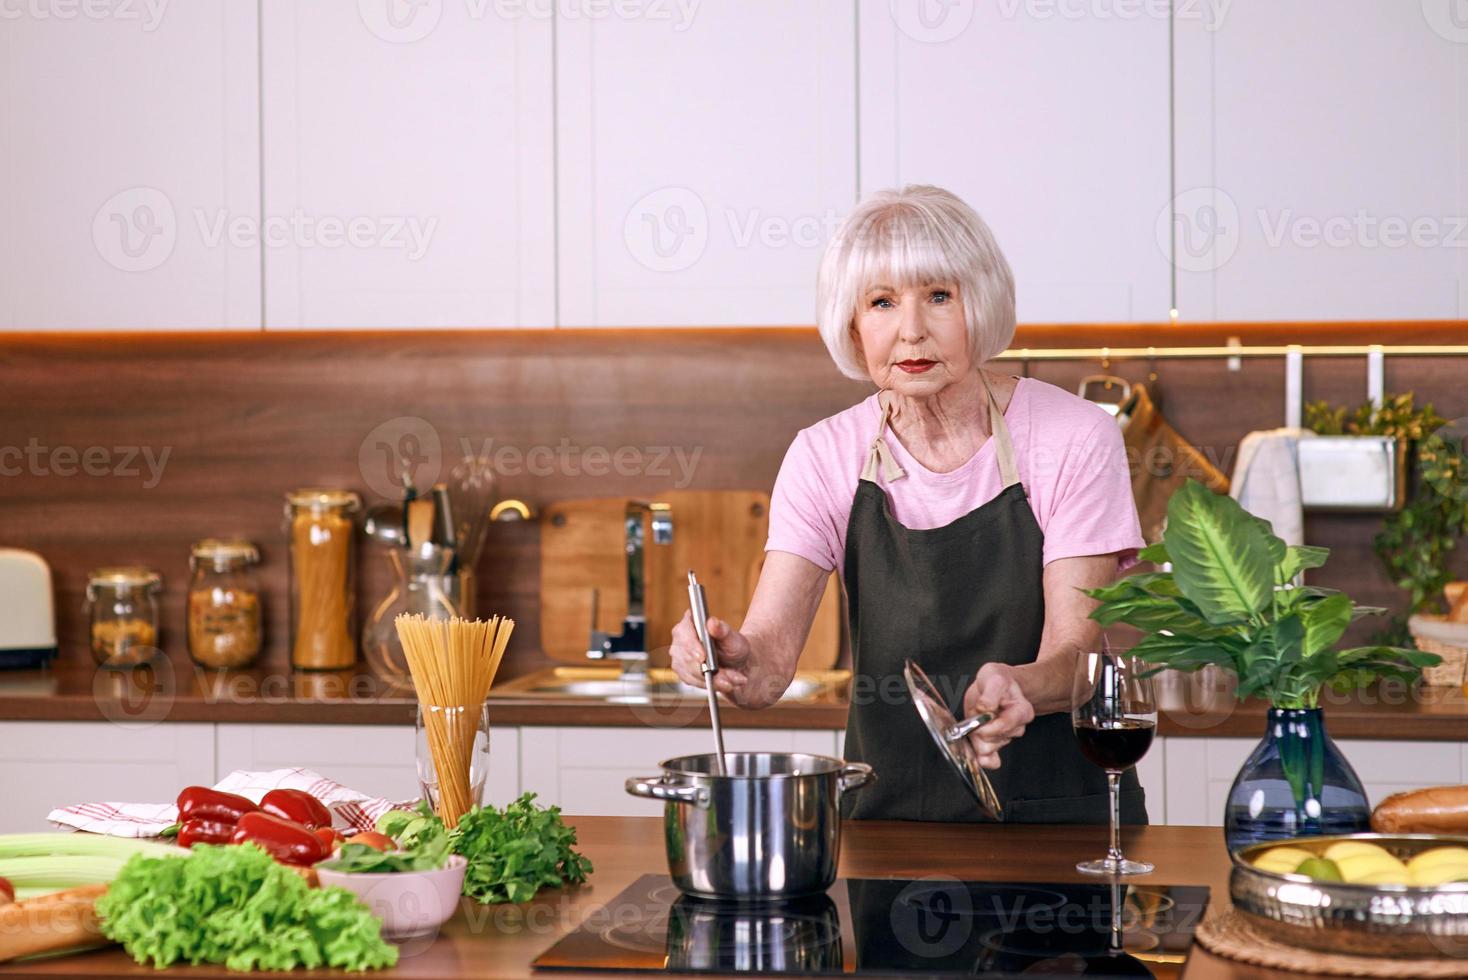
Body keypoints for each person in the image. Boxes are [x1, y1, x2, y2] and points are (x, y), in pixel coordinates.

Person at [669, 185, 1146, 823]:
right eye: (882, 302)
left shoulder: (1074, 436)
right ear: (853, 325)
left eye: (940, 296)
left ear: (982, 305)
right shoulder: (824, 455)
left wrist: (1020, 686)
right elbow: (769, 669)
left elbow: (1078, 663)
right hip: (890, 829)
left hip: (1059, 822)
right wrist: (727, 660)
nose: (912, 330)